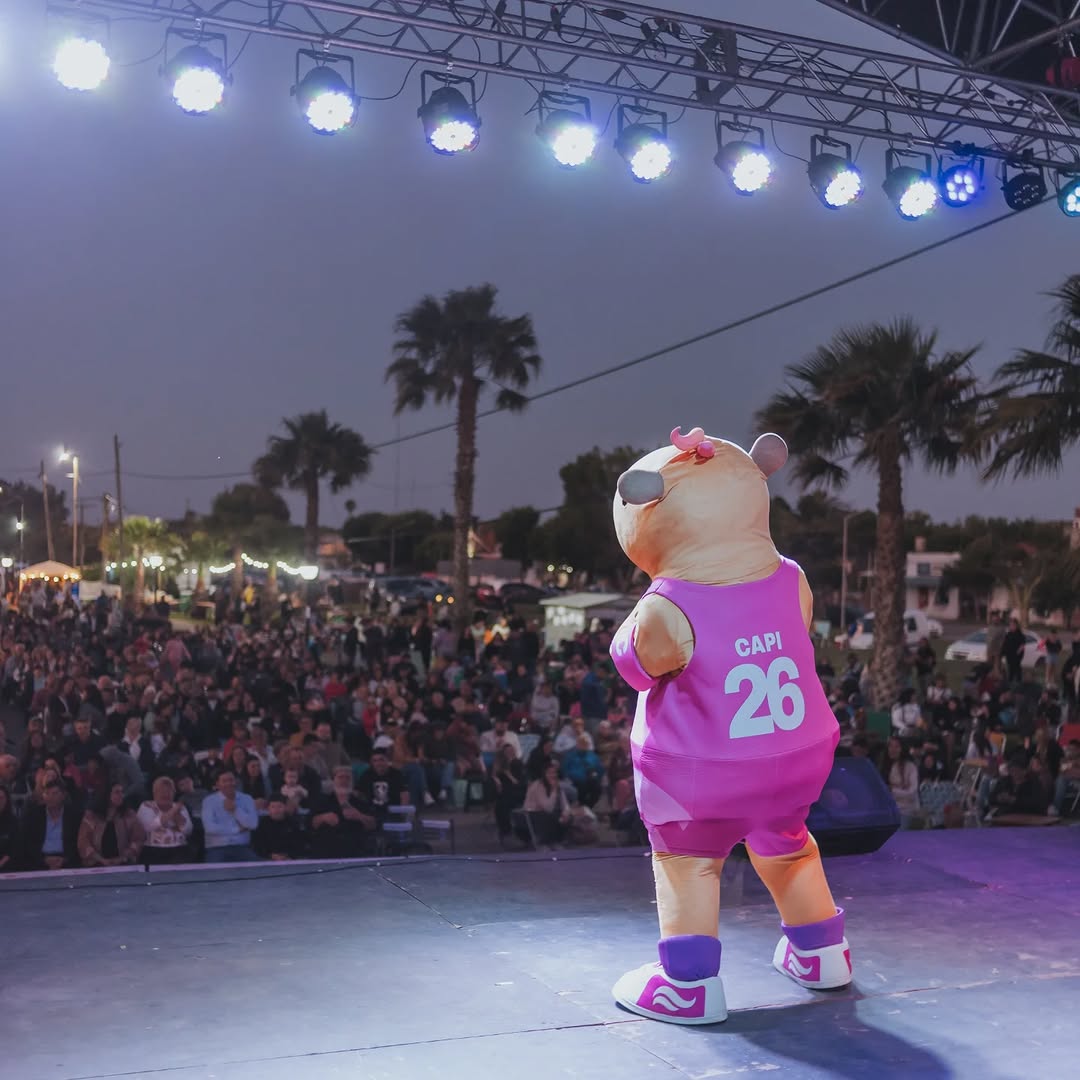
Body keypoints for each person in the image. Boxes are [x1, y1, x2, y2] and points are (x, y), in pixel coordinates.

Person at [78, 783, 144, 867]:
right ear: (107, 795)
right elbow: (83, 842)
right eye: (117, 792)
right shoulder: (91, 816)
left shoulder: (129, 815)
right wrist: (101, 860)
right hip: (95, 864)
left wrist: (122, 857)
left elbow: (138, 839)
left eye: (122, 792)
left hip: (123, 864)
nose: (121, 795)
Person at [21, 780, 81, 870]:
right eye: (47, 793)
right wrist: (43, 860)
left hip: (66, 861)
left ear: (63, 795)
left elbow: (78, 842)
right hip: (39, 861)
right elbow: (28, 842)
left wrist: (64, 859)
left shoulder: (74, 815)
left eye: (54, 793)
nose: (50, 797)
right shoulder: (34, 814)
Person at [201, 771, 259, 862]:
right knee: (214, 872)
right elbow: (210, 828)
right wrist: (237, 829)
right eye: (224, 781)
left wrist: (235, 810)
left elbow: (253, 824)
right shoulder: (209, 801)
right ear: (217, 784)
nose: (229, 783)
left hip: (241, 847)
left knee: (257, 869)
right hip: (217, 848)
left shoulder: (247, 798)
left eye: (231, 780)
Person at [137, 776, 194, 864]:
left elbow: (187, 831)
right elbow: (149, 826)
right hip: (154, 850)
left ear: (174, 793)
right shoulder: (146, 806)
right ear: (154, 793)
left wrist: (178, 815)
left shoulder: (180, 808)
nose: (165, 794)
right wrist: (173, 811)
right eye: (161, 791)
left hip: (180, 849)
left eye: (169, 791)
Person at [881, 737, 920, 825]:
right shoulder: (885, 767)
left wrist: (892, 790)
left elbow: (911, 793)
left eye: (896, 746)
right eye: (890, 746)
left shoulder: (910, 767)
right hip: (887, 811)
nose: (893, 749)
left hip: (905, 811)